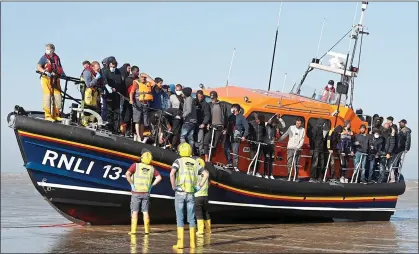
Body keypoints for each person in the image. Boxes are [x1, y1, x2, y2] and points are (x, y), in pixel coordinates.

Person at [170, 143, 209, 249]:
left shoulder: (178, 161)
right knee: (191, 218)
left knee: (180, 218)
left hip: (180, 193)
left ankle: (180, 243)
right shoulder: (195, 163)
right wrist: (198, 186)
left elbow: (172, 174)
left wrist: (174, 187)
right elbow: (206, 174)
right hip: (191, 194)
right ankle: (193, 243)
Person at [125, 150, 162, 235]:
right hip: (146, 193)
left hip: (136, 192)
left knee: (135, 211)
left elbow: (127, 174)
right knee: (145, 211)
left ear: (142, 158)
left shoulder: (135, 165)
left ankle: (133, 231)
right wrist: (151, 186)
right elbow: (159, 177)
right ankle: (147, 230)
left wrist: (131, 184)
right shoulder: (152, 168)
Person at [37, 43, 65, 122]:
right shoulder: (44, 58)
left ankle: (56, 114)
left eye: (48, 49)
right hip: (46, 78)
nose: (47, 50)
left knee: (58, 96)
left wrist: (63, 75)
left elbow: (60, 67)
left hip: (55, 79)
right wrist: (44, 71)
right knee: (47, 95)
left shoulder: (57, 58)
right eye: (46, 49)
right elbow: (38, 66)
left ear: (53, 50)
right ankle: (48, 115)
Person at [203, 91, 229, 162]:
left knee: (214, 144)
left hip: (220, 127)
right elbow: (207, 115)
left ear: (216, 97)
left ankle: (210, 159)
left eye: (214, 98)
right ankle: (206, 157)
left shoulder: (222, 105)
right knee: (206, 140)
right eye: (211, 98)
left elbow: (225, 117)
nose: (213, 100)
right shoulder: (209, 105)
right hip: (211, 126)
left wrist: (225, 128)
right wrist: (207, 123)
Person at [130, 73, 155, 143]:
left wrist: (147, 75)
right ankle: (137, 135)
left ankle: (141, 136)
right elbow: (131, 92)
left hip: (145, 104)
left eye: (145, 78)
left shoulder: (148, 83)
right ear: (139, 78)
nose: (144, 79)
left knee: (143, 122)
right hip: (138, 102)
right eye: (142, 77)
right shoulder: (136, 83)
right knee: (137, 120)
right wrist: (131, 100)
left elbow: (154, 83)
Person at [225, 104, 249, 172]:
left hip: (236, 137)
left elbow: (247, 127)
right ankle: (229, 163)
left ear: (236, 109)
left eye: (232, 108)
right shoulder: (230, 116)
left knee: (235, 151)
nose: (231, 109)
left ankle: (235, 166)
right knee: (227, 149)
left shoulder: (242, 117)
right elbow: (227, 125)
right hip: (229, 135)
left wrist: (244, 136)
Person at [80, 61, 103, 126]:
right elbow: (88, 84)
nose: (98, 70)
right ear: (92, 67)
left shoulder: (97, 73)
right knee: (87, 106)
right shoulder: (87, 72)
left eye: (99, 68)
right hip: (86, 91)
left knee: (94, 107)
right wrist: (96, 78)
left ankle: (91, 122)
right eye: (97, 68)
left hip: (94, 92)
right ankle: (84, 122)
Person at [103, 57, 123, 133]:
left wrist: (116, 88)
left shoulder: (117, 72)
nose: (113, 68)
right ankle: (109, 126)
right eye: (111, 66)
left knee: (116, 111)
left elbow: (119, 82)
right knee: (109, 111)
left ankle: (116, 127)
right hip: (108, 94)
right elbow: (104, 81)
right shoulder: (105, 71)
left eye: (114, 67)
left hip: (116, 94)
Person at [193, 156, 211, 236]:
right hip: (205, 196)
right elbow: (209, 184)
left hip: (197, 196)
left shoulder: (194, 173)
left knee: (198, 213)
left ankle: (200, 230)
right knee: (206, 212)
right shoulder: (207, 172)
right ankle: (208, 229)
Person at [120, 66, 139, 137]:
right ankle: (123, 131)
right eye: (137, 71)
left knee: (132, 116)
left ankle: (130, 131)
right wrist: (126, 98)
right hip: (127, 100)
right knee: (127, 115)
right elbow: (124, 90)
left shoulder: (137, 80)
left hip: (135, 101)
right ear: (133, 71)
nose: (138, 73)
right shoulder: (128, 80)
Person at [248, 113, 266, 177]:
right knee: (252, 158)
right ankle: (251, 170)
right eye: (257, 119)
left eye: (259, 120)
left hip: (260, 144)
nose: (258, 121)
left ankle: (256, 172)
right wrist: (250, 139)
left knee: (259, 159)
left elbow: (264, 133)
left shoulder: (263, 124)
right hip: (253, 143)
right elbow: (248, 131)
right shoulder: (251, 123)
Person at [167, 84, 184, 149]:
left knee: (176, 132)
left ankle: (173, 145)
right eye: (177, 89)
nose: (178, 91)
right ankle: (169, 142)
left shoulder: (183, 97)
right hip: (172, 115)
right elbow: (169, 106)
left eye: (179, 90)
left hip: (180, 117)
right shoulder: (172, 96)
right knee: (173, 131)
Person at [195, 90, 211, 156]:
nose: (200, 98)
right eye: (199, 97)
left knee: (200, 139)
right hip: (193, 123)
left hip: (201, 124)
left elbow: (207, 115)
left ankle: (200, 152)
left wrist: (204, 123)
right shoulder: (194, 103)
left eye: (201, 97)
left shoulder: (206, 104)